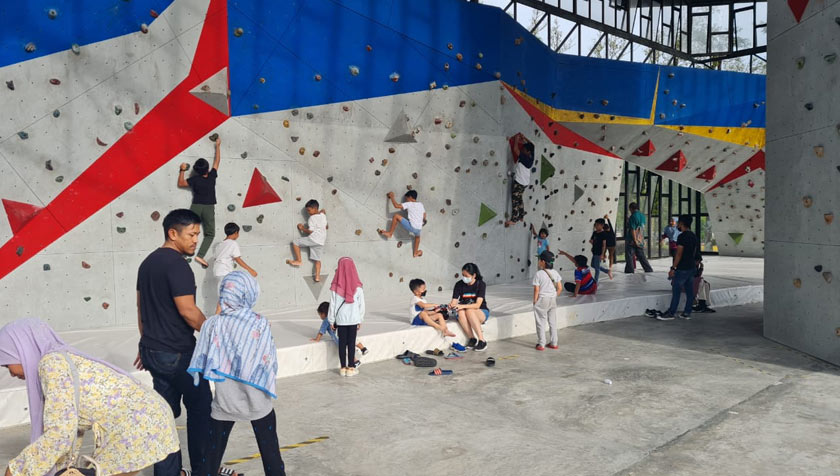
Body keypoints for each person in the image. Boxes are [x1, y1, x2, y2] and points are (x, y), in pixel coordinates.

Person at [1, 318, 179, 476]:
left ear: (22, 350)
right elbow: (69, 427)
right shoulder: (60, 358)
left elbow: (59, 434)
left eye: (7, 363)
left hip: (138, 423)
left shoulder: (52, 364)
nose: (10, 373)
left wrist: (19, 470)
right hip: (148, 417)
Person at [135, 209, 212, 476]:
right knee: (201, 409)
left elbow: (140, 307)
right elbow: (188, 311)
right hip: (179, 354)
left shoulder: (147, 263)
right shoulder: (178, 265)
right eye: (191, 234)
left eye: (197, 235)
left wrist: (146, 342)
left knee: (164, 418)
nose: (195, 240)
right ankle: (203, 469)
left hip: (153, 352)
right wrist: (215, 335)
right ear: (173, 233)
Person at [187, 271, 286, 476]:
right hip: (258, 400)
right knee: (271, 454)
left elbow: (205, 356)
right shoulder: (260, 322)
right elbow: (268, 362)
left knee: (211, 457)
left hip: (225, 400)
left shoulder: (213, 324)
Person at [178, 136, 221, 268]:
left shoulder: (195, 180)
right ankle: (200, 255)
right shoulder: (212, 176)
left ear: (196, 171)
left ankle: (182, 252)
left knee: (188, 230)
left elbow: (181, 183)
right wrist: (218, 146)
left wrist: (182, 170)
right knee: (210, 234)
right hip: (208, 208)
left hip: (196, 207)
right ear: (207, 169)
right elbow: (217, 161)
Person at [327, 257, 365, 377]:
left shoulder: (335, 287)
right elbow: (361, 305)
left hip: (341, 319)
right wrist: (360, 319)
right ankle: (351, 368)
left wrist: (331, 320)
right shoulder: (358, 287)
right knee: (351, 343)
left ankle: (343, 368)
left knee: (342, 344)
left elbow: (332, 305)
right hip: (353, 319)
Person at [658, 215, 701, 321]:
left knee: (676, 291)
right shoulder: (694, 236)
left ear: (681, 223)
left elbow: (679, 254)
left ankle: (671, 313)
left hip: (683, 268)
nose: (677, 225)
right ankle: (687, 313)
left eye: (678, 223)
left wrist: (673, 268)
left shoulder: (682, 237)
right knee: (689, 291)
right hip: (692, 267)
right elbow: (696, 253)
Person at [213, 223, 257, 311]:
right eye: (238, 233)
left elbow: (216, 258)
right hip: (225, 272)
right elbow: (238, 259)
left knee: (224, 297)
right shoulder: (233, 243)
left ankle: (218, 317)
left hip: (218, 272)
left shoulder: (220, 245)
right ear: (236, 232)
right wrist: (250, 270)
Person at [311, 301, 368, 368]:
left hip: (340, 338)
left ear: (323, 313)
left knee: (346, 350)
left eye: (320, 314)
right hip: (346, 331)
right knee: (354, 340)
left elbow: (321, 331)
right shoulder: (336, 315)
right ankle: (363, 348)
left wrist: (317, 339)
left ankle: (355, 361)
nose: (320, 316)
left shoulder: (326, 321)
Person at [450, 263, 490, 351]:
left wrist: (462, 306)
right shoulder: (459, 284)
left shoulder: (481, 284)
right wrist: (452, 305)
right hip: (464, 310)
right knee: (460, 312)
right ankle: (472, 338)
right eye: (463, 275)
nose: (464, 278)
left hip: (480, 311)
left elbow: (477, 305)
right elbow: (454, 301)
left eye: (466, 276)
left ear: (474, 275)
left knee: (469, 310)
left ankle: (482, 341)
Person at [286, 199, 327, 281]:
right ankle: (317, 277)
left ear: (314, 208)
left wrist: (302, 228)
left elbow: (310, 231)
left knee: (295, 242)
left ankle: (298, 260)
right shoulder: (323, 216)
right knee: (317, 260)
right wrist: (321, 211)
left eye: (309, 210)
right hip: (321, 241)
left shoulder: (311, 218)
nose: (308, 212)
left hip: (313, 239)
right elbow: (323, 211)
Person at [378, 191, 426, 257]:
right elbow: (424, 215)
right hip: (419, 228)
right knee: (417, 237)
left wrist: (392, 197)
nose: (406, 200)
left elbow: (396, 206)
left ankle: (390, 233)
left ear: (410, 197)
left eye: (406, 199)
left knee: (396, 216)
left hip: (412, 226)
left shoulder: (409, 204)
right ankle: (415, 253)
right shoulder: (420, 204)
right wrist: (421, 221)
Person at [532, 251, 561, 351]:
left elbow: (536, 290)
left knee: (541, 322)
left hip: (542, 299)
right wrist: (553, 296)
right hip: (552, 299)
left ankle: (541, 344)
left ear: (543, 262)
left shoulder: (538, 274)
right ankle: (554, 343)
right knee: (553, 322)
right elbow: (560, 288)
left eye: (539, 260)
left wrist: (535, 301)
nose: (538, 261)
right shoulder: (555, 273)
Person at [505, 141, 534, 227]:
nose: (522, 150)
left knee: (515, 200)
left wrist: (517, 139)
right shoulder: (531, 156)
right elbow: (533, 145)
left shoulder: (525, 158)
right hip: (524, 182)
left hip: (519, 183)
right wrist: (524, 138)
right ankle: (521, 216)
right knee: (519, 198)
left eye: (524, 149)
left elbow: (515, 149)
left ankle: (514, 220)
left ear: (528, 151)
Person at [624, 202, 653, 274]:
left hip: (632, 240)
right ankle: (648, 269)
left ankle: (630, 271)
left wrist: (634, 240)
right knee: (641, 256)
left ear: (631, 208)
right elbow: (641, 228)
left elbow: (633, 229)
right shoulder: (642, 216)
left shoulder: (633, 216)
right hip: (640, 239)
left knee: (629, 256)